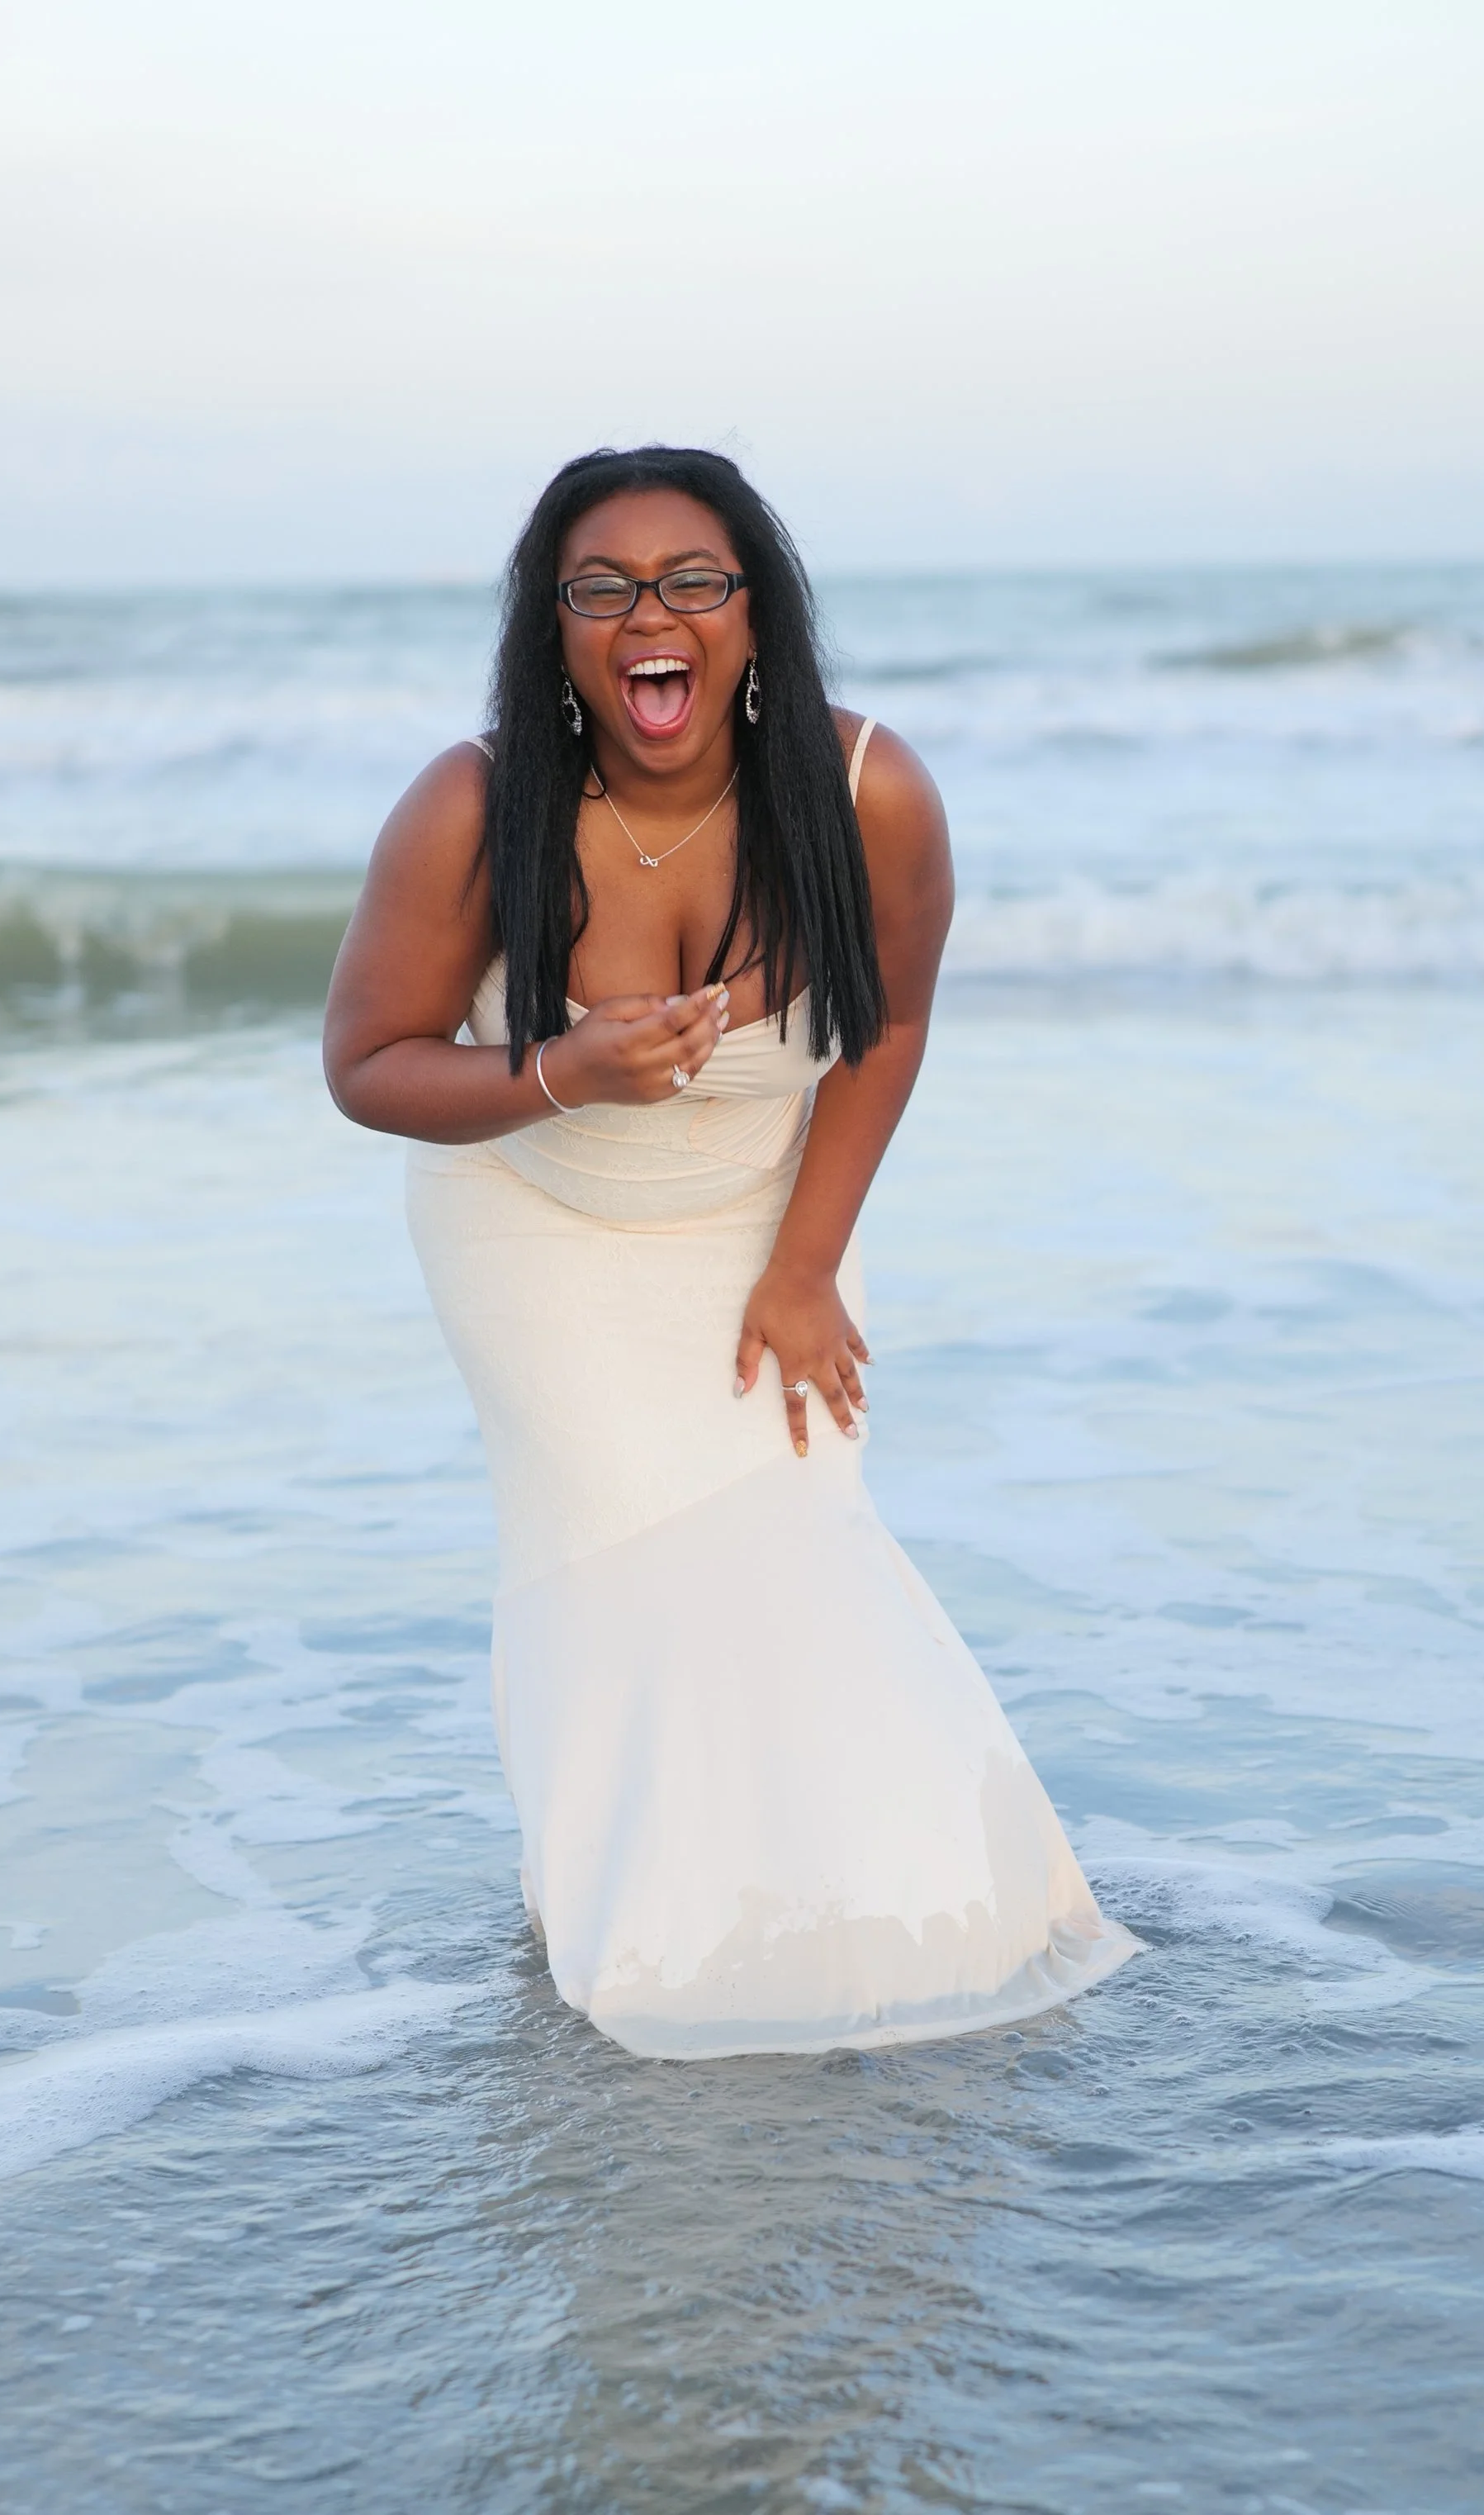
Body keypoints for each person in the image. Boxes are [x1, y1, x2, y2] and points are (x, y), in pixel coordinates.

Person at [323, 446, 1138, 2057]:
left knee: (798, 1549)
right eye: (603, 587)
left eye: (693, 579)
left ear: (754, 612)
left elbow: (887, 1028)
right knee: (626, 1563)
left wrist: (807, 1265)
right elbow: (365, 1065)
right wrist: (563, 1071)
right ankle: (648, 1932)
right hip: (533, 1226)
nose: (652, 614)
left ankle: (867, 1918)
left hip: (766, 1225)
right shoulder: (471, 809)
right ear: (554, 628)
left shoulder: (868, 791)